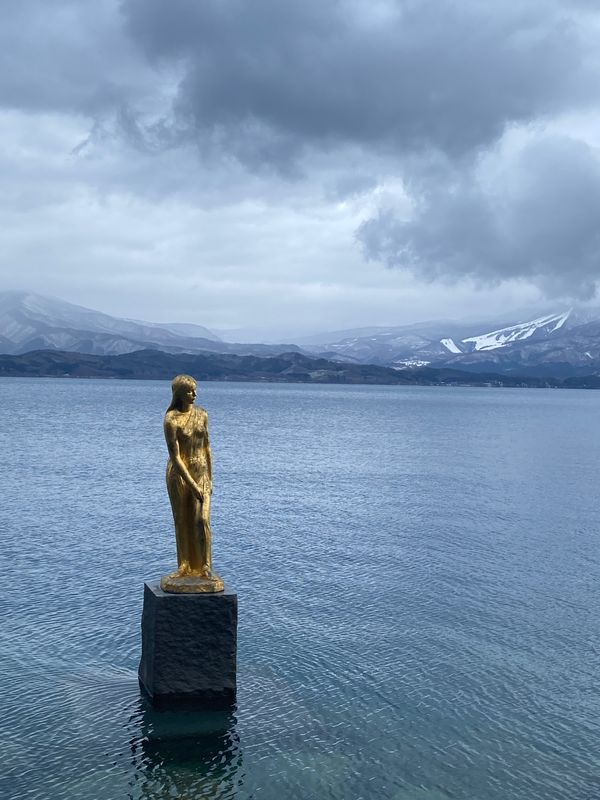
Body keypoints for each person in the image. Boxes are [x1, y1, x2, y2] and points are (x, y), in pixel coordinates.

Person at [162, 374, 222, 591]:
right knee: (182, 519)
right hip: (179, 475)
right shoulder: (171, 419)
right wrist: (192, 485)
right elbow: (175, 456)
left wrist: (209, 479)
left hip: (201, 472)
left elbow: (207, 447)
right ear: (179, 394)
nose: (194, 394)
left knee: (201, 519)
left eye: (195, 390)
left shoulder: (202, 414)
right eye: (189, 391)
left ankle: (206, 566)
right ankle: (185, 565)